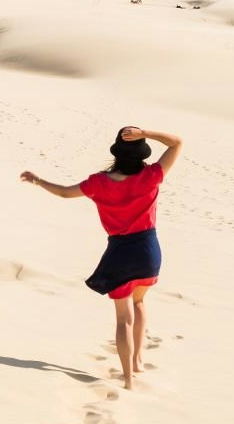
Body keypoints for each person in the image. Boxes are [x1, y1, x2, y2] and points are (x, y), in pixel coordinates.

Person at [20, 126, 182, 387]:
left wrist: (38, 181)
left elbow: (64, 192)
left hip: (119, 252)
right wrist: (145, 133)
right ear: (142, 154)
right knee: (139, 304)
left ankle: (128, 378)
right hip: (148, 251)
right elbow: (176, 143)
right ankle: (138, 362)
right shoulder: (151, 176)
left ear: (116, 154)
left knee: (123, 319)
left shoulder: (98, 183)